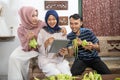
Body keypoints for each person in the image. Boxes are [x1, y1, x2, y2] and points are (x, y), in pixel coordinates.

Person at [37, 10, 72, 77]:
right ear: (46, 20)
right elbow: (40, 50)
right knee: (57, 75)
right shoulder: (42, 31)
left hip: (58, 60)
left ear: (57, 19)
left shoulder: (62, 32)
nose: (52, 21)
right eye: (49, 19)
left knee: (68, 75)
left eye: (54, 19)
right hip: (45, 60)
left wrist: (62, 53)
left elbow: (62, 51)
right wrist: (46, 43)